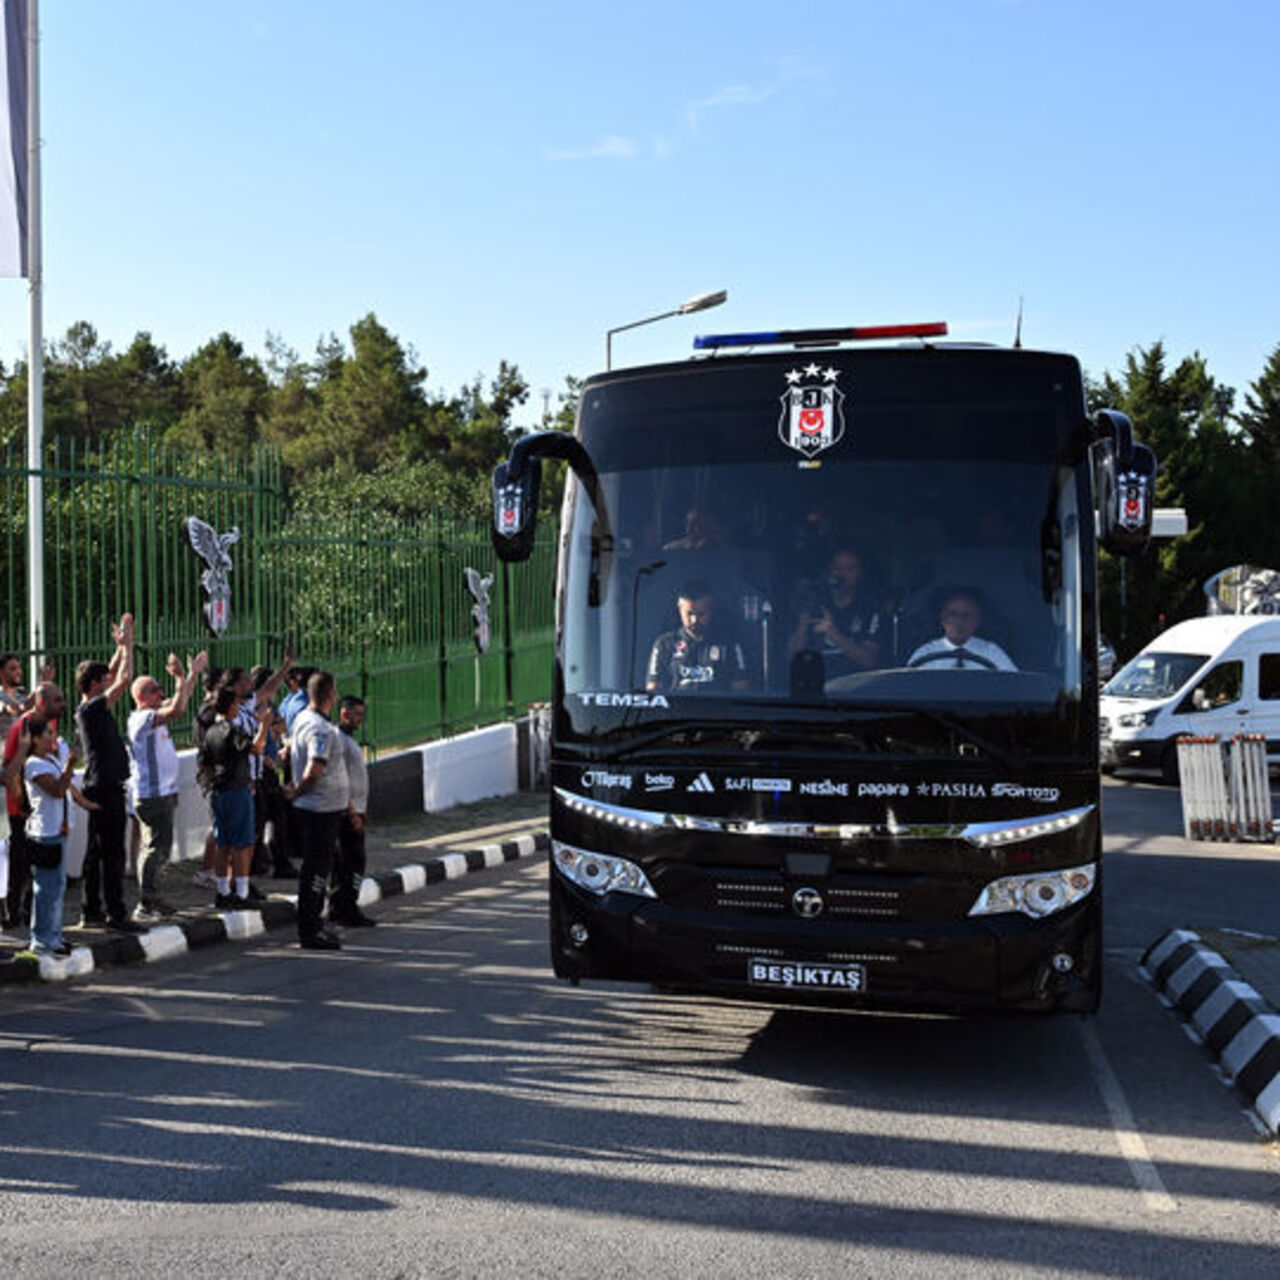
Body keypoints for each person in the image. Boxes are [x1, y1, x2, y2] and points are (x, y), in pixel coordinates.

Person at [75, 613, 147, 933]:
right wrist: (129, 647)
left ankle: (91, 909)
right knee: (111, 854)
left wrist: (118, 649)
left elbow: (114, 673)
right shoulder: (92, 708)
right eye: (103, 680)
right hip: (104, 786)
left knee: (96, 852)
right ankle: (115, 913)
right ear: (95, 685)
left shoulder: (88, 705)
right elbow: (124, 679)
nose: (109, 680)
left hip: (99, 784)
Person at [127, 649, 208, 922]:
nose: (161, 694)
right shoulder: (142, 719)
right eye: (155, 690)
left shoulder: (154, 715)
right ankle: (146, 902)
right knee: (153, 849)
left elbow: (178, 700)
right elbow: (179, 708)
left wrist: (189, 677)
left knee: (161, 847)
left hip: (163, 792)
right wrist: (184, 677)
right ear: (141, 696)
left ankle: (153, 897)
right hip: (152, 795)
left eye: (161, 690)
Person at [285, 671, 348, 950]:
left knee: (318, 868)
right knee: (316, 872)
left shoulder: (303, 718)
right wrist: (298, 789)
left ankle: (313, 924)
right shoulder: (320, 729)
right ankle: (310, 929)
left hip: (320, 807)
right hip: (318, 809)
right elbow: (315, 769)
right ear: (330, 694)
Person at [4, 681, 70, 933]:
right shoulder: (22, 727)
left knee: (40, 873)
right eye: (57, 700)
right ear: (42, 703)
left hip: (38, 810)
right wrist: (22, 803)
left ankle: (34, 919)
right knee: (19, 867)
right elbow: (11, 769)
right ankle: (14, 918)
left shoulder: (47, 726)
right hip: (19, 808)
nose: (62, 705)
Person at [200, 684, 270, 909]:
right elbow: (256, 748)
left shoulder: (210, 732)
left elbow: (206, 764)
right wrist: (264, 726)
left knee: (223, 843)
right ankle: (241, 893)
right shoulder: (234, 731)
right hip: (237, 789)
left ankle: (222, 891)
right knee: (241, 844)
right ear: (231, 706)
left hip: (218, 791)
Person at [20, 714, 80, 958]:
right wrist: (68, 767)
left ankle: (54, 936)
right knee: (46, 888)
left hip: (58, 829)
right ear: (34, 739)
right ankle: (42, 939)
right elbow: (56, 791)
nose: (52, 736)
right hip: (45, 833)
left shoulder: (51, 759)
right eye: (46, 733)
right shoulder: (34, 764)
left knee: (57, 886)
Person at [788, 546, 885, 679]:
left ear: (860, 572)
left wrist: (833, 634)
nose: (841, 575)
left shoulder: (869, 608)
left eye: (849, 569)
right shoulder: (815, 604)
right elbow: (792, 658)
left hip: (857, 689)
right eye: (837, 569)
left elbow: (870, 660)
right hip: (817, 687)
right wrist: (803, 622)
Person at [646, 580, 748, 693]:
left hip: (717, 709)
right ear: (680, 609)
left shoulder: (729, 644)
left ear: (711, 609)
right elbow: (653, 690)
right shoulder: (664, 644)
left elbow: (740, 690)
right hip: (677, 709)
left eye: (701, 614)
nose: (694, 620)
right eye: (689, 614)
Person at [329, 694, 376, 928]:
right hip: (347, 813)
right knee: (352, 861)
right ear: (344, 714)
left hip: (355, 809)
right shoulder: (339, 740)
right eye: (356, 714)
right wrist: (353, 813)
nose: (360, 720)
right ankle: (346, 906)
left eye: (362, 715)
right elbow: (341, 780)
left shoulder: (349, 740)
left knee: (347, 861)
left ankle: (342, 906)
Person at [907, 590, 1017, 671]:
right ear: (943, 619)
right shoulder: (925, 652)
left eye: (967, 615)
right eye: (953, 614)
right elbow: (908, 686)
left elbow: (1013, 685)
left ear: (977, 621)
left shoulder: (991, 652)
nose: (959, 621)